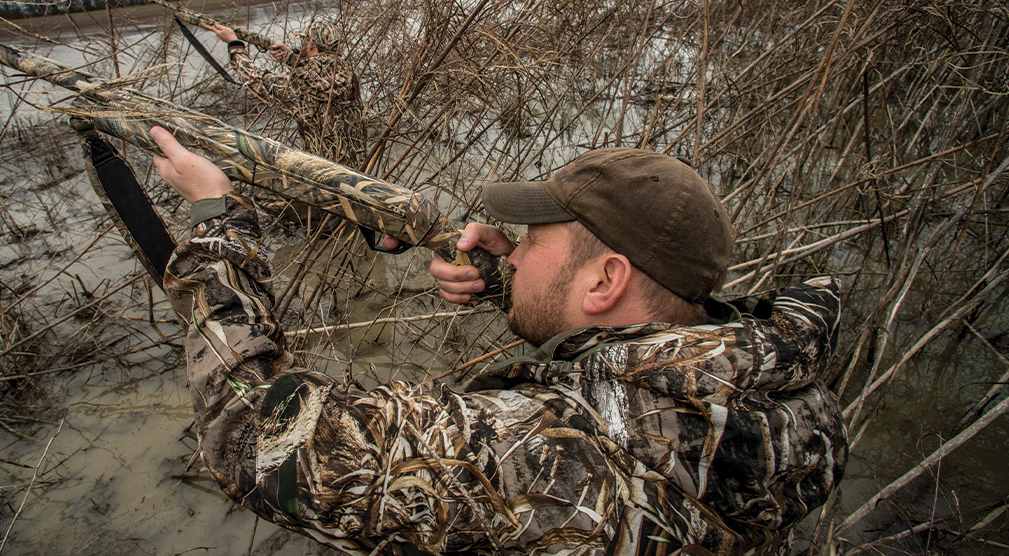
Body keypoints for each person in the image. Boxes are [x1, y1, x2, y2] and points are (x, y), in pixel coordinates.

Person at [150, 128, 848, 555]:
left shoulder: (555, 460)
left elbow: (256, 437)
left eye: (534, 242)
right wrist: (508, 281)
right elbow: (630, 354)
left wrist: (218, 224)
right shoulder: (778, 394)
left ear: (606, 279)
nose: (512, 252)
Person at [204, 18, 368, 169]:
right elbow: (318, 75)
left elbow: (255, 79)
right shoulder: (350, 75)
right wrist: (291, 57)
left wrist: (234, 45)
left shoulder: (300, 83)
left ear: (311, 44)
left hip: (322, 174)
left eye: (304, 40)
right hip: (357, 171)